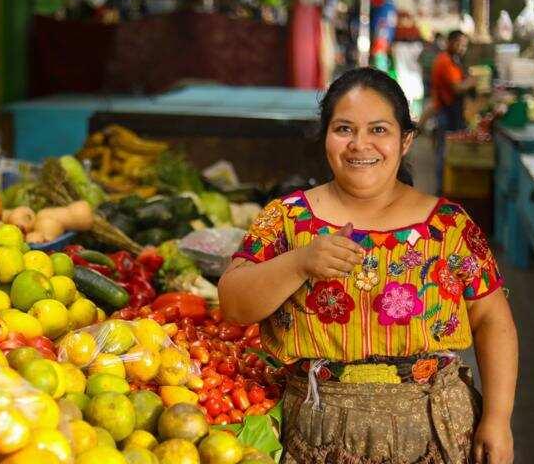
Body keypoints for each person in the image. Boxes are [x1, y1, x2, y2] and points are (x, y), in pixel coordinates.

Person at [218, 68, 517, 464]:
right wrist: (300, 263)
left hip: (435, 429)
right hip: (317, 430)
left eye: (379, 130)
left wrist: (498, 419)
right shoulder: (287, 219)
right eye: (344, 129)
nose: (360, 145)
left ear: (406, 140)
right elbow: (234, 304)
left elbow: (493, 321)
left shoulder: (449, 227)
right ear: (325, 136)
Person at [431, 31, 476, 194]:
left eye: (464, 45)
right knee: (445, 152)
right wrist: (472, 81)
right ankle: (441, 191)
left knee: (448, 152)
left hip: (451, 112)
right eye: (459, 44)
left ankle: (447, 188)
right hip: (446, 113)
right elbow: (457, 87)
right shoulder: (445, 62)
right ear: (449, 43)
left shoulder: (453, 61)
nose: (462, 48)